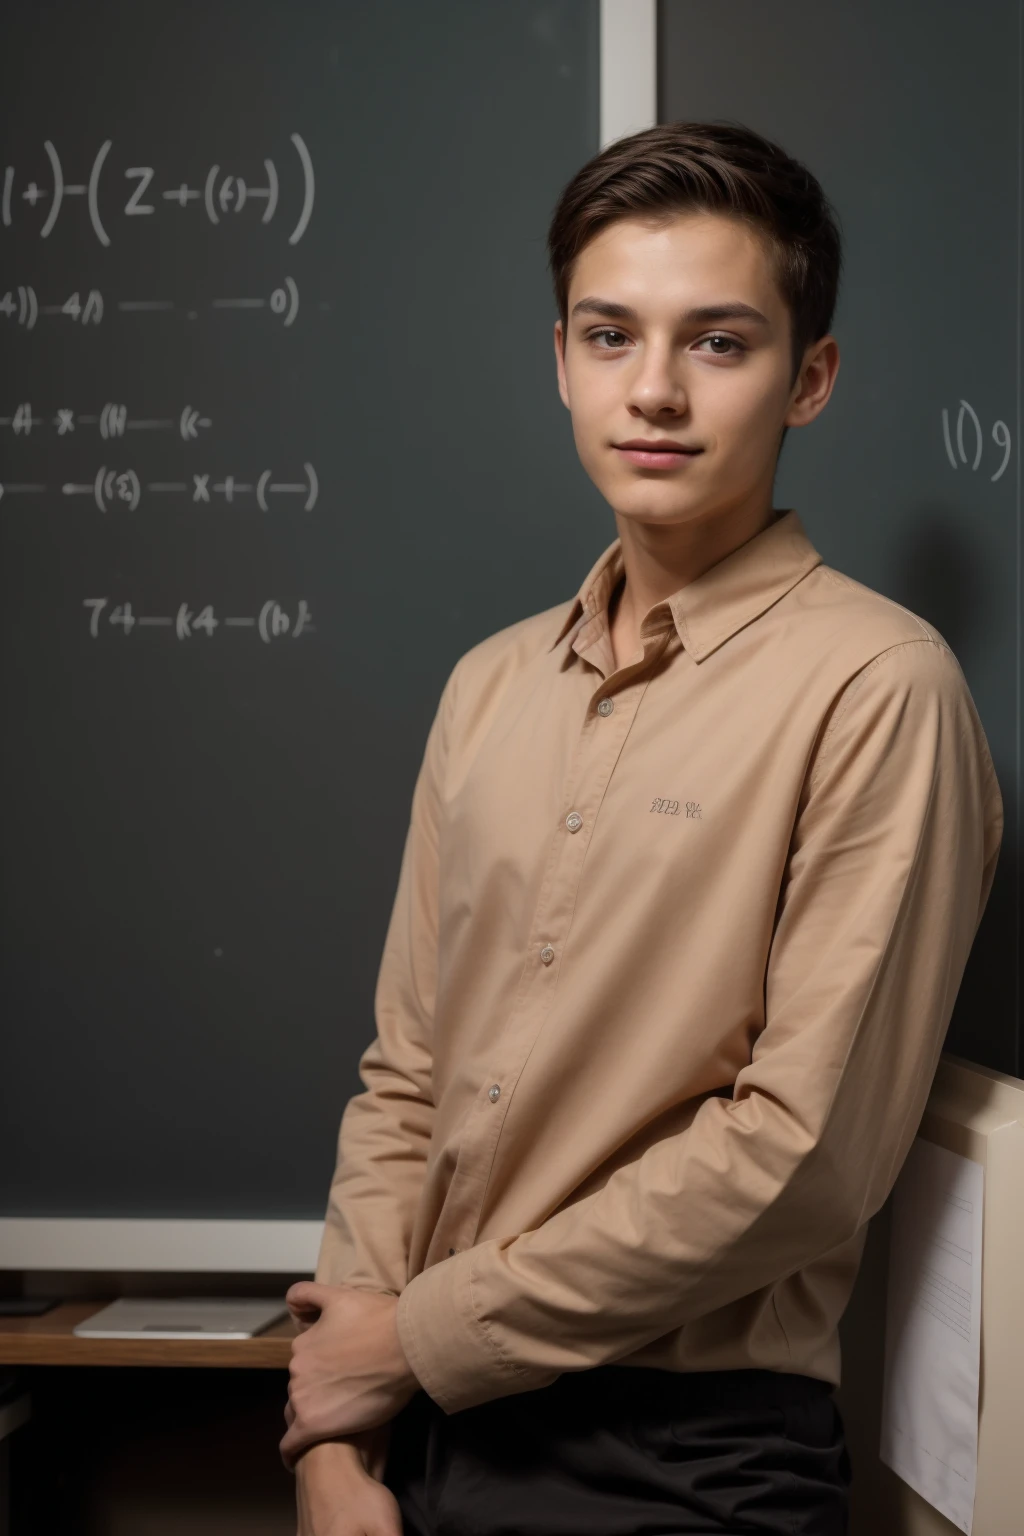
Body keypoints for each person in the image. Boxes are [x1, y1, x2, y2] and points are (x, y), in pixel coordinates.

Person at [278, 121, 1004, 1535]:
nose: (655, 391)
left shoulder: (879, 685)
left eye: (719, 344)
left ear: (811, 380)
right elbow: (407, 1076)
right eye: (612, 336)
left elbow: (803, 1158)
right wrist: (332, 1441)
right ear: (561, 359)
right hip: (409, 1438)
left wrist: (415, 1340)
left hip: (686, 1459)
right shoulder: (488, 687)